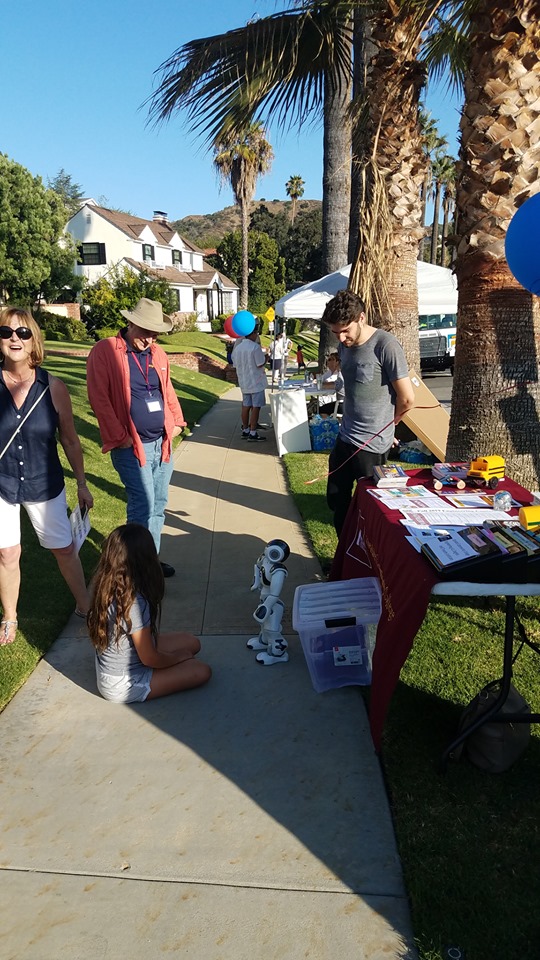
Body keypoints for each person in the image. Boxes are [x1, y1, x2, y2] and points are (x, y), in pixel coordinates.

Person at [0, 307, 94, 646]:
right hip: (2, 484)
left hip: (44, 483)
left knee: (64, 548)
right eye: (7, 332)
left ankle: (85, 605)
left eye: (22, 333)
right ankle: (9, 616)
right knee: (7, 554)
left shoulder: (53, 387)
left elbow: (69, 438)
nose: (14, 339)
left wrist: (82, 484)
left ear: (34, 340)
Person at [87, 298, 186, 578]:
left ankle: (150, 562)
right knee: (142, 504)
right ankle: (134, 567)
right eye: (145, 330)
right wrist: (120, 437)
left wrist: (177, 422)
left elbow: (167, 391)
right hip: (132, 446)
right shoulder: (106, 351)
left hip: (162, 443)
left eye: (155, 333)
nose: (150, 338)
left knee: (158, 505)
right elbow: (99, 397)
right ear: (130, 323)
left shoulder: (158, 354)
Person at [321, 290, 415, 536]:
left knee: (370, 508)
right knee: (336, 500)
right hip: (345, 438)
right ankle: (345, 554)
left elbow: (407, 398)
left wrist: (391, 424)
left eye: (345, 330)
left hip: (372, 445)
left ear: (361, 318)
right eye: (335, 332)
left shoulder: (385, 345)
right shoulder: (344, 347)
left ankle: (366, 557)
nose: (341, 338)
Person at [87, 523, 211, 702]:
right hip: (124, 683)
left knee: (192, 643)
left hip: (118, 665)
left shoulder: (106, 585)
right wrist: (176, 658)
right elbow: (149, 658)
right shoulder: (135, 603)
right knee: (201, 671)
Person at [232, 327, 268, 443]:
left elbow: (235, 364)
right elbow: (259, 363)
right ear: (252, 334)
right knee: (256, 407)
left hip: (244, 381)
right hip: (256, 381)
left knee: (246, 405)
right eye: (256, 333)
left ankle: (245, 429)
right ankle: (253, 431)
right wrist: (266, 358)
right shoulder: (255, 347)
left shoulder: (238, 348)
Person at [318, 352, 345, 416]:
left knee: (321, 409)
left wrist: (321, 385)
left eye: (330, 359)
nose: (327, 361)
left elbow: (337, 385)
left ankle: (326, 425)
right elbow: (335, 383)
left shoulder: (341, 373)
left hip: (343, 405)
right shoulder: (342, 372)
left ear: (337, 362)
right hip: (345, 404)